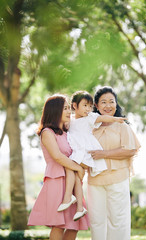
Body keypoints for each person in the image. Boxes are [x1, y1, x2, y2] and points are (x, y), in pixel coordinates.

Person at [57, 90, 127, 221]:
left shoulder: (90, 118)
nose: (88, 109)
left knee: (69, 167)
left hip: (85, 152)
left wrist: (116, 119)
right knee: (77, 178)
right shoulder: (70, 120)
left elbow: (103, 118)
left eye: (90, 106)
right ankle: (79, 208)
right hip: (77, 151)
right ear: (74, 106)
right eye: (85, 105)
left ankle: (68, 197)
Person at [27, 94, 89, 240]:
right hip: (56, 180)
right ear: (55, 111)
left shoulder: (68, 134)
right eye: (65, 108)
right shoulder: (47, 132)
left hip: (72, 182)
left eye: (69, 108)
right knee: (59, 225)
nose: (69, 112)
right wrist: (79, 169)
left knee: (75, 225)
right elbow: (58, 156)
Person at [87, 86, 141, 240]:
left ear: (116, 104)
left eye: (111, 101)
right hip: (94, 180)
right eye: (103, 102)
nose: (108, 105)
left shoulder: (122, 126)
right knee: (97, 221)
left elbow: (130, 150)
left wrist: (104, 154)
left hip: (118, 178)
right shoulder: (90, 128)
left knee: (118, 220)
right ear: (96, 106)